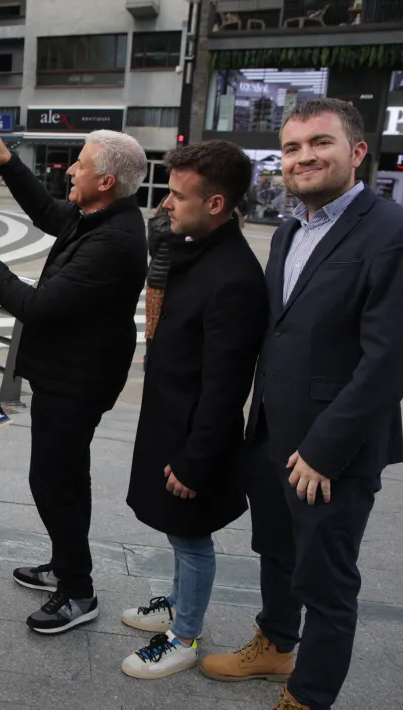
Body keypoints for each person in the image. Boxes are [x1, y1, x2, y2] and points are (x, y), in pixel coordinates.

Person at [198, 99, 403, 710]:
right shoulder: (288, 229)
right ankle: (276, 644)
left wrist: (326, 450)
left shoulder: (398, 234)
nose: (304, 158)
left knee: (327, 581)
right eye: (292, 148)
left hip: (335, 449)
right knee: (276, 553)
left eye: (319, 144)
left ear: (356, 153)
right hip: (273, 433)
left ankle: (309, 695)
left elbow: (388, 361)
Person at [0, 131, 148, 635]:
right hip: (72, 371)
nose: (69, 172)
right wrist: (10, 164)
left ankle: (78, 592)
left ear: (105, 180)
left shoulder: (113, 241)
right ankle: (65, 565)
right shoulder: (101, 215)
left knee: (53, 481)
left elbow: (35, 307)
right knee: (65, 476)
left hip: (77, 381)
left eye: (79, 166)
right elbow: (48, 213)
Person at [118, 141, 267, 680]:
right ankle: (177, 603)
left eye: (179, 197)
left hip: (192, 435)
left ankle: (184, 635)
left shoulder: (234, 278)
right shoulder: (195, 248)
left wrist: (195, 461)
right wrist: (166, 248)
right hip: (169, 418)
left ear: (217, 204)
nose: (166, 206)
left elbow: (227, 386)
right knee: (174, 526)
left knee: (190, 537)